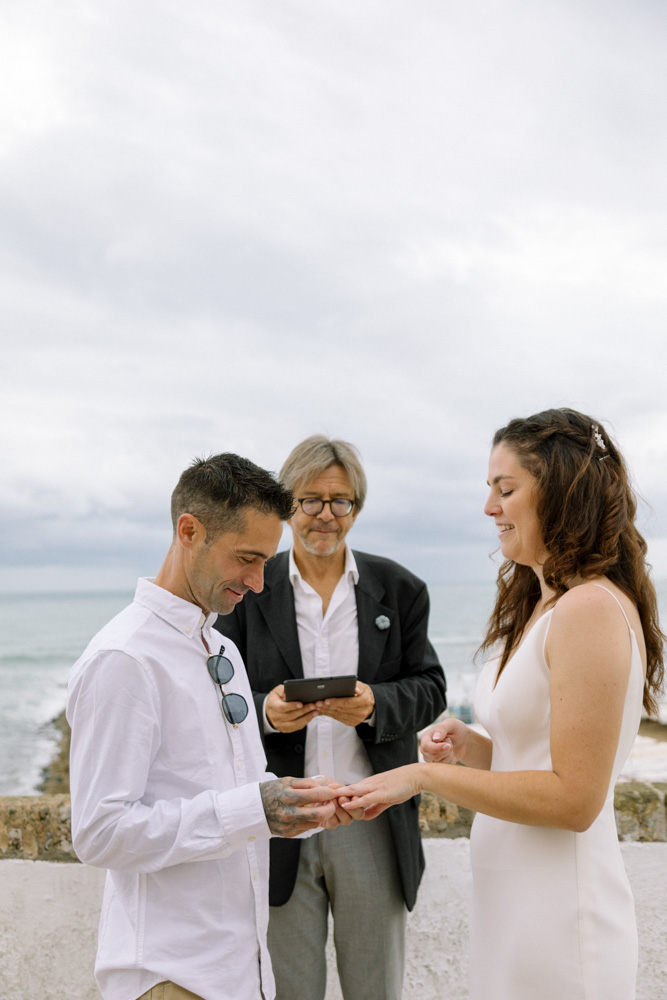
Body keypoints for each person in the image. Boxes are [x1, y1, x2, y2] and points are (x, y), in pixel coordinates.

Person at [339, 408, 665, 1000]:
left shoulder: (589, 609)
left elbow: (573, 798)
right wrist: (472, 748)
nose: (489, 508)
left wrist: (421, 776)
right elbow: (534, 759)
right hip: (514, 910)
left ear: (562, 493)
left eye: (505, 489)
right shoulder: (542, 606)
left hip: (563, 918)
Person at [66, 453, 353, 1000]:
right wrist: (254, 809)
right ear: (189, 531)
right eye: (247, 557)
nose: (260, 582)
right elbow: (99, 833)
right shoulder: (124, 659)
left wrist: (303, 807)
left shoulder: (220, 646)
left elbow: (234, 793)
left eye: (267, 560)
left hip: (243, 974)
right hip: (171, 977)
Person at [216, 435, 446, 1000]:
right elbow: (212, 694)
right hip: (279, 818)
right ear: (287, 505)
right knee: (290, 991)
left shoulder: (400, 588)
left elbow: (431, 688)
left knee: (377, 990)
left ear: (356, 508)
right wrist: (265, 714)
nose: (325, 514)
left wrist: (375, 706)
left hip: (370, 814)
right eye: (309, 500)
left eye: (339, 501)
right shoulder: (249, 588)